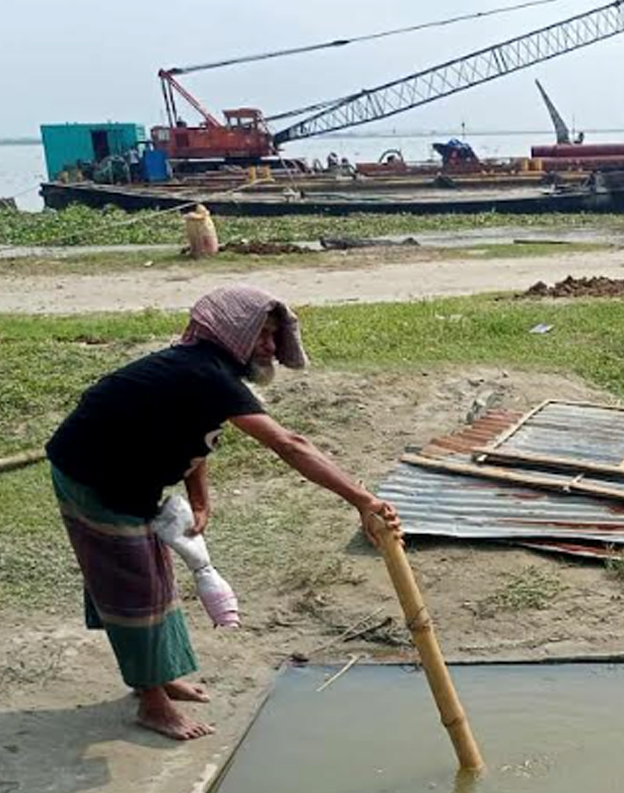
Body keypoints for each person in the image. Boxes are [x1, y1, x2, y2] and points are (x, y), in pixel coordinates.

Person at [46, 284, 400, 741]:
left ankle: (161, 676)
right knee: (132, 585)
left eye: (275, 336)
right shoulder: (204, 374)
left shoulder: (205, 375)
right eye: (263, 336)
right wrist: (364, 500)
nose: (271, 348)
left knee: (155, 576)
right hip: (91, 477)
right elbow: (289, 444)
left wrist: (200, 499)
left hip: (128, 479)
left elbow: (198, 436)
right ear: (235, 335)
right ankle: (151, 703)